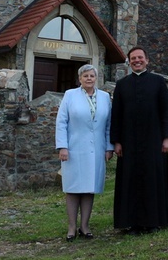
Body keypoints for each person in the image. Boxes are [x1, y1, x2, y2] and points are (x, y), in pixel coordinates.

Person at [110, 46, 168, 234]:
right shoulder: (122, 85)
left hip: (154, 140)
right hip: (128, 142)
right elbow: (117, 116)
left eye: (140, 58)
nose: (136, 61)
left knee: (152, 179)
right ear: (129, 62)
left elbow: (166, 113)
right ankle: (132, 223)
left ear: (147, 60)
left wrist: (167, 137)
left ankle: (153, 221)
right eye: (133, 58)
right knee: (129, 181)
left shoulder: (158, 82)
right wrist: (116, 141)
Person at [55, 64, 114, 241]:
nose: (89, 79)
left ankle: (85, 226)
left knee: (89, 188)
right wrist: (62, 146)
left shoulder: (104, 97)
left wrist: (109, 147)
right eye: (85, 76)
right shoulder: (70, 95)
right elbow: (61, 122)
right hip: (73, 149)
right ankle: (72, 227)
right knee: (73, 188)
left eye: (92, 76)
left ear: (96, 78)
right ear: (79, 79)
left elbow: (109, 125)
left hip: (96, 150)